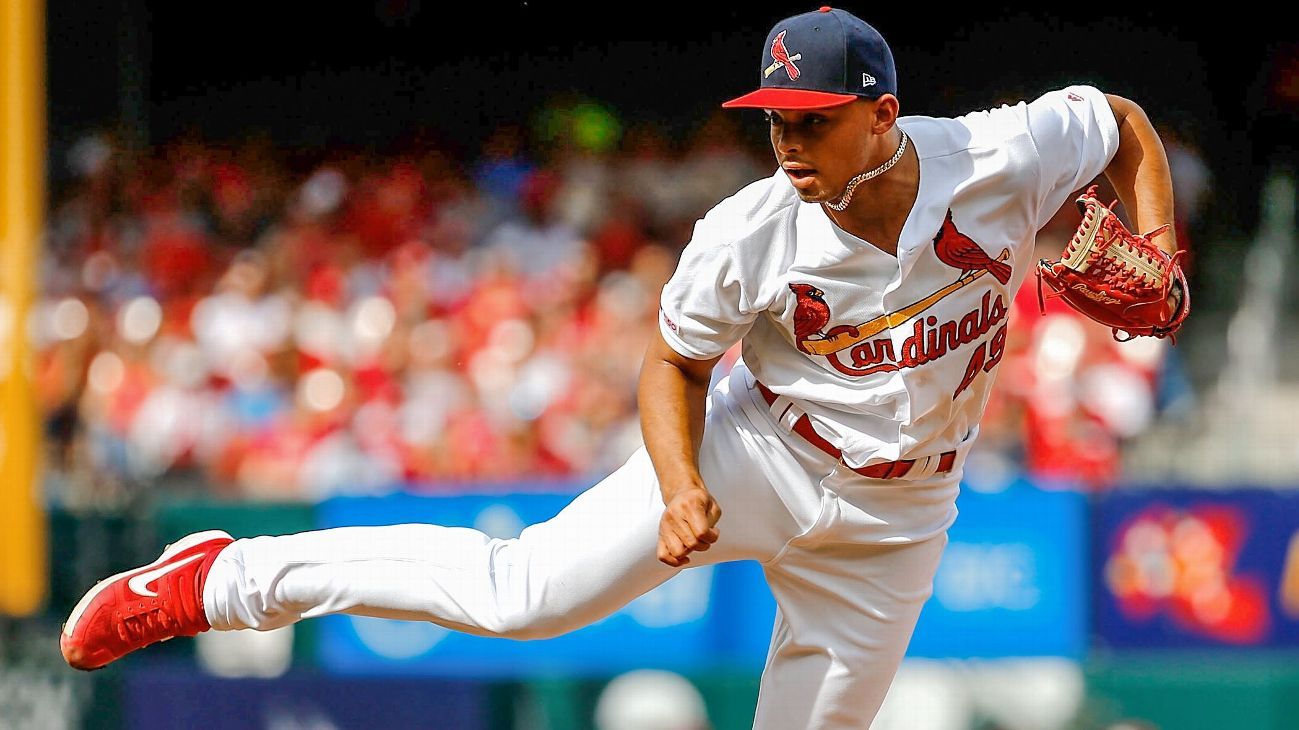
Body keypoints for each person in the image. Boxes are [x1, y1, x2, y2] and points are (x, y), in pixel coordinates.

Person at [60, 6, 1181, 728]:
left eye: (812, 121)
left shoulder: (999, 154)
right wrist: (687, 483)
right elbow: (671, 360)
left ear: (882, 115)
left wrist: (1164, 250)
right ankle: (222, 578)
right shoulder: (751, 229)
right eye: (774, 120)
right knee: (523, 595)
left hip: (901, 519)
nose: (787, 144)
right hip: (764, 448)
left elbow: (1123, 123)